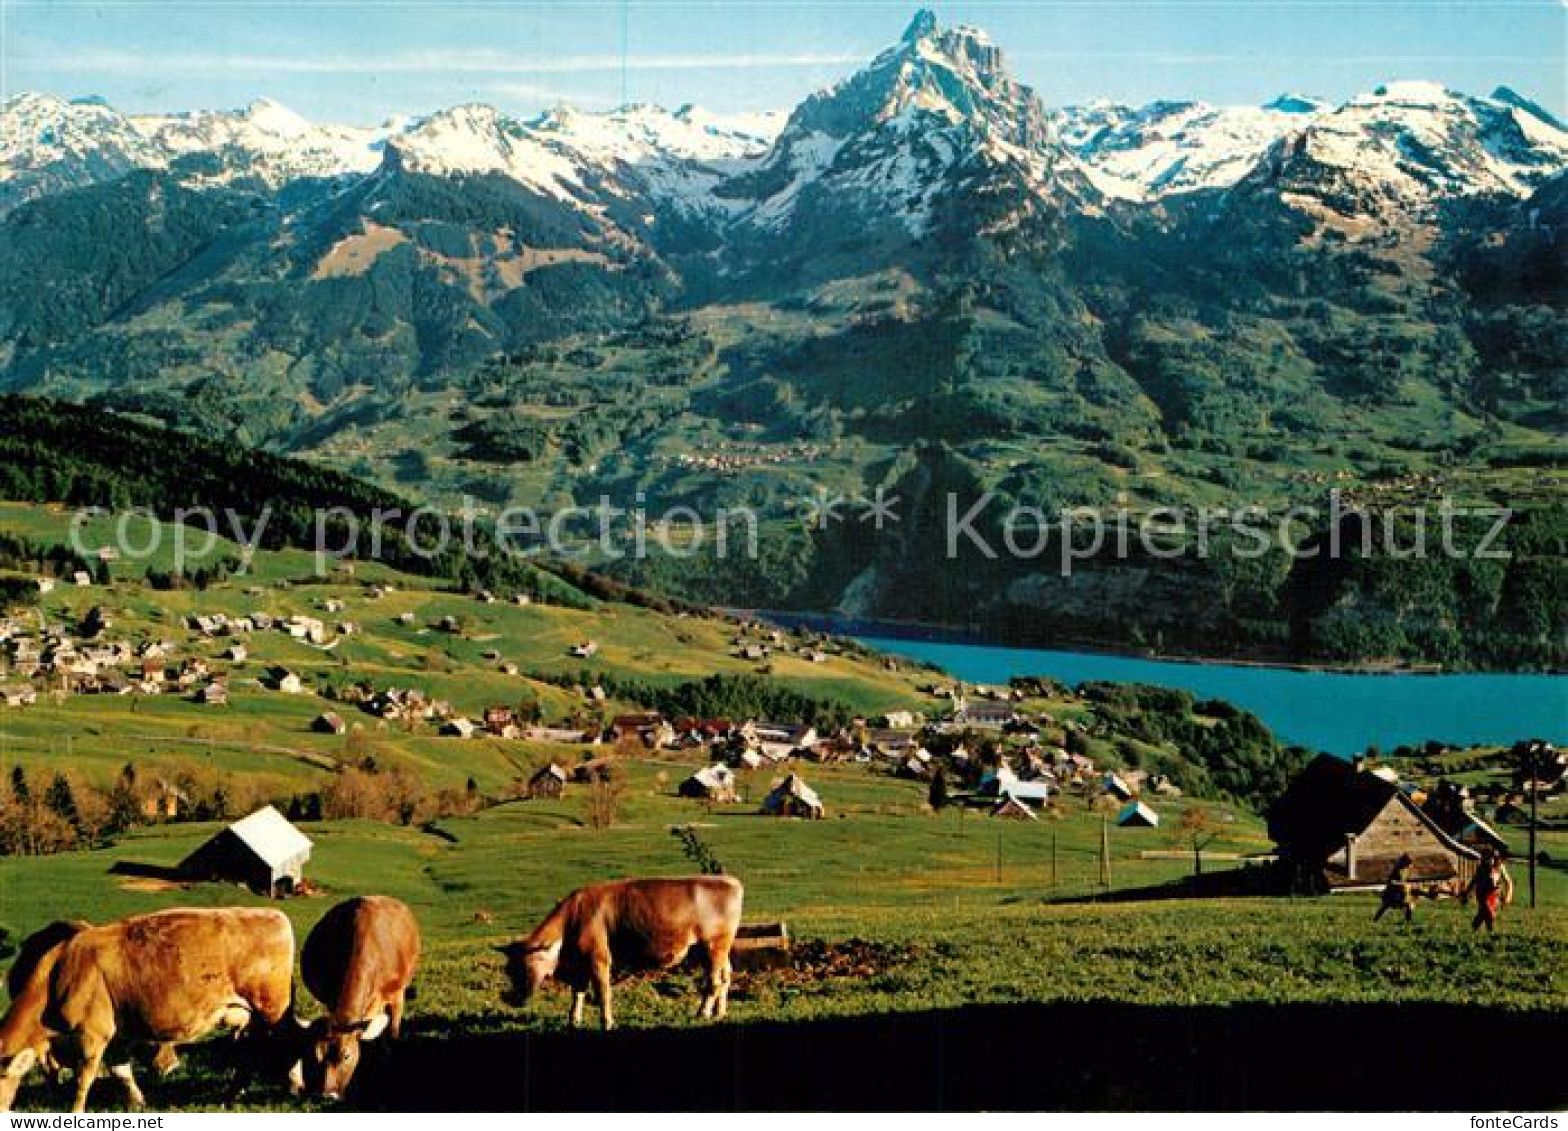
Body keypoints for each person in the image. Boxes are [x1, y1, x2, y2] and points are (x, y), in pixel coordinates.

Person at [1464, 849, 1514, 933]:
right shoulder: (1482, 867)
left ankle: (1476, 927)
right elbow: (1474, 880)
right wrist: (1467, 893)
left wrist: (1508, 896)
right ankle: (1490, 932)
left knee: (1483, 914)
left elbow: (1508, 882)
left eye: (1494, 858)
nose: (1491, 860)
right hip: (1482, 893)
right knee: (1490, 913)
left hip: (1494, 894)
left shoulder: (1500, 867)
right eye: (1489, 857)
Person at [1374, 853, 1416, 922]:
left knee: (1408, 904)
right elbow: (1391, 882)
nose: (1410, 865)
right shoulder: (1397, 870)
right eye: (1408, 863)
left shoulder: (1405, 870)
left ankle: (1408, 921)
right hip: (1393, 893)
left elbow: (1407, 880)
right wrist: (1402, 884)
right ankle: (1375, 920)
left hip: (1400, 893)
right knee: (1386, 906)